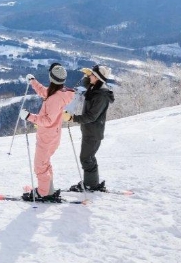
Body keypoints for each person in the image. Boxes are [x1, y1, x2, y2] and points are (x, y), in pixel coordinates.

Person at [19, 63, 75, 202]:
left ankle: (43, 193)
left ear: (52, 78)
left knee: (40, 165)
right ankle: (47, 189)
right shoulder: (58, 93)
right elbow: (45, 93)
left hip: (48, 136)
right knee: (44, 163)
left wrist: (29, 117)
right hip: (50, 135)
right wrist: (33, 82)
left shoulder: (55, 98)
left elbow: (48, 120)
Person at [62, 65, 114, 192]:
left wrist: (72, 118)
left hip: (93, 132)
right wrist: (87, 75)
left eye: (92, 75)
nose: (90, 76)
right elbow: (87, 84)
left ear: (97, 78)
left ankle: (90, 185)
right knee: (89, 157)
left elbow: (91, 116)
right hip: (90, 131)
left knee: (85, 158)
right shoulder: (95, 87)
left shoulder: (101, 95)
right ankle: (91, 182)